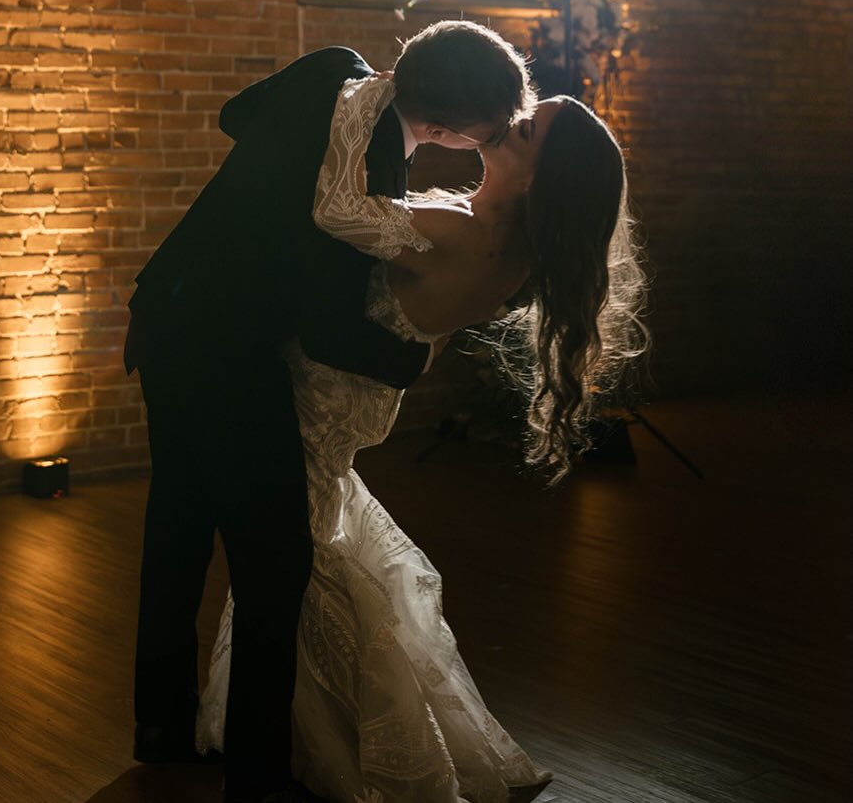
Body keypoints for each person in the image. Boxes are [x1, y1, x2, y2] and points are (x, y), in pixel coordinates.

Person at [197, 72, 647, 802]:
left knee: (296, 561)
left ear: (537, 180)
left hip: (320, 394)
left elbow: (335, 210)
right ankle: (297, 729)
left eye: (526, 128)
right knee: (304, 549)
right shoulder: (502, 245)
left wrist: (365, 98)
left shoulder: (462, 231)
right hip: (357, 396)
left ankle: (336, 742)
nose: (508, 121)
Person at [125, 21, 532, 803]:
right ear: (446, 130)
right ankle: (256, 769)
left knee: (174, 530)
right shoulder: (373, 162)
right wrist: (411, 362)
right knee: (274, 566)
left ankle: (160, 727)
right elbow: (327, 325)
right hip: (231, 356)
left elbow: (236, 115)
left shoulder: (329, 69)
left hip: (164, 316)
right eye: (488, 130)